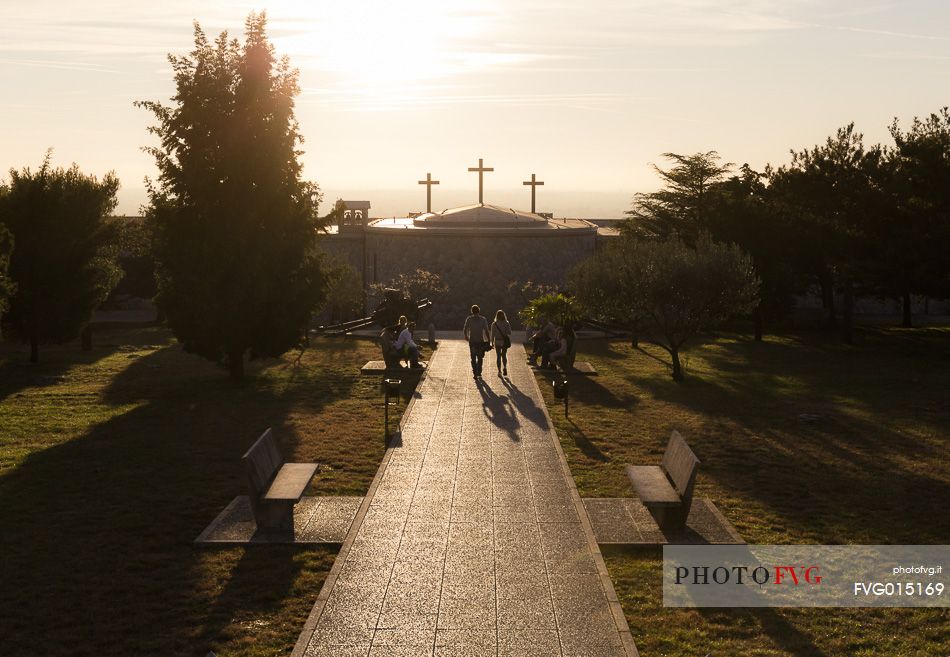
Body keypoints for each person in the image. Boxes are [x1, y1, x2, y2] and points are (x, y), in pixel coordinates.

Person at [463, 304, 490, 379]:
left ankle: (475, 372)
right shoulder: (483, 319)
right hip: (480, 341)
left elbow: (465, 329)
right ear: (479, 310)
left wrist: (466, 336)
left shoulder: (469, 319)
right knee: (480, 357)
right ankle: (479, 372)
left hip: (472, 341)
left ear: (472, 311)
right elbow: (486, 331)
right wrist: (489, 340)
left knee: (473, 357)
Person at [491, 309, 513, 377]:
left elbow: (492, 334)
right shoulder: (506, 323)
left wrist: (492, 343)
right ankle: (505, 367)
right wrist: (504, 332)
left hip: (497, 341)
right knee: (504, 355)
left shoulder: (494, 324)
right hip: (504, 342)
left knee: (498, 356)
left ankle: (499, 371)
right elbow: (510, 332)